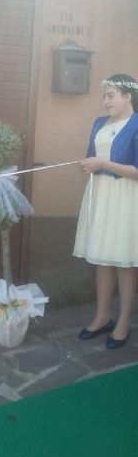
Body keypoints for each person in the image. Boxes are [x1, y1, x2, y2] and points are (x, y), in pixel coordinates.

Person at [74, 73, 138, 349]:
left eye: (111, 96)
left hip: (125, 197)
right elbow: (93, 156)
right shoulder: (99, 123)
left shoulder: (136, 125)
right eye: (104, 96)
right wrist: (89, 165)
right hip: (100, 195)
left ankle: (123, 321)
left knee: (124, 260)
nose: (106, 101)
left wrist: (102, 164)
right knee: (102, 258)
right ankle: (102, 316)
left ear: (128, 96)